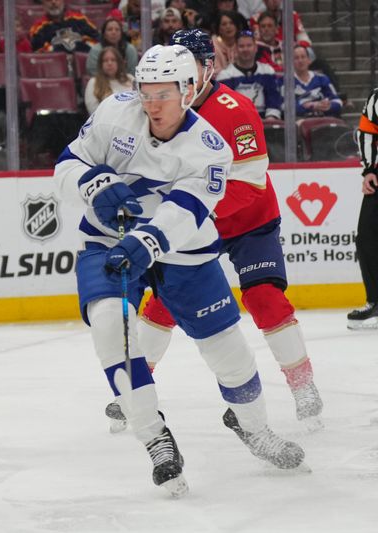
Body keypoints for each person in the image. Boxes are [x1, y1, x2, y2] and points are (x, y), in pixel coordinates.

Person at [54, 43, 305, 496]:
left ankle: (253, 425)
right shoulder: (115, 112)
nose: (153, 104)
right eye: (146, 91)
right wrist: (93, 183)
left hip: (182, 251)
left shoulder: (210, 148)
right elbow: (68, 164)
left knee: (229, 352)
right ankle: (154, 437)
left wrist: (146, 240)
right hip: (107, 242)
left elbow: (186, 212)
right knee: (111, 326)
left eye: (164, 93)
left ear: (189, 90)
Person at [105, 28, 323, 430]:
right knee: (166, 302)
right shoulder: (153, 109)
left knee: (264, 298)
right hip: (192, 223)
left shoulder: (235, 110)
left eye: (194, 64)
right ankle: (134, 390)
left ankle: (303, 387)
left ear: (209, 67)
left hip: (248, 221)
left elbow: (250, 183)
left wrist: (185, 213)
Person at [348, 87, 378, 329]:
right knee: (367, 238)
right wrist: (369, 169)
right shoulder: (376, 97)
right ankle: (375, 301)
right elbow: (367, 134)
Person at [217, 30, 282, 119]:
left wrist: (270, 118)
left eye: (249, 45)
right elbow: (225, 108)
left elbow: (274, 99)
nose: (246, 49)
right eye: (241, 46)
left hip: (265, 122)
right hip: (238, 123)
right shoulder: (225, 76)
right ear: (235, 49)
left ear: (255, 48)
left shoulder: (267, 71)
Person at [29, 0, 99, 54]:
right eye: (48, 0)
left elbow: (97, 40)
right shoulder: (37, 28)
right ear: (43, 3)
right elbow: (39, 51)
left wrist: (79, 51)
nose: (53, 2)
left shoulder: (80, 18)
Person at [292, 45, 342, 118]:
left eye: (303, 57)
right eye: (296, 58)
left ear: (309, 60)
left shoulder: (322, 78)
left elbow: (338, 101)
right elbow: (284, 107)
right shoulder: (286, 81)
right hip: (299, 121)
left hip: (323, 118)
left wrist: (328, 106)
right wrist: (311, 106)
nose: (300, 61)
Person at [84, 46, 133, 114]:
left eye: (113, 60)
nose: (109, 63)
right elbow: (93, 110)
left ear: (119, 63)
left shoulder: (130, 78)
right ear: (101, 64)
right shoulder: (93, 82)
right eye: (105, 60)